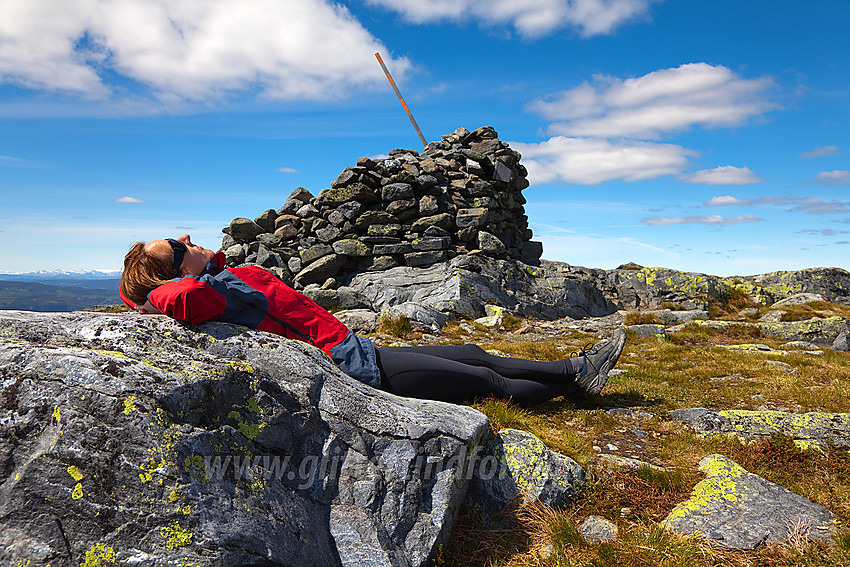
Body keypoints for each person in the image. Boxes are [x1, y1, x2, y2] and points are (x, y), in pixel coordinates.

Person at [120, 235, 626, 407]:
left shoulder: (222, 281)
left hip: (354, 347)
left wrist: (195, 260)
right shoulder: (199, 295)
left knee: (474, 354)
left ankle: (573, 372)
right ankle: (574, 382)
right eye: (178, 245)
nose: (187, 238)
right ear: (173, 270)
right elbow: (171, 297)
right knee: (482, 381)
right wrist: (156, 285)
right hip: (353, 370)